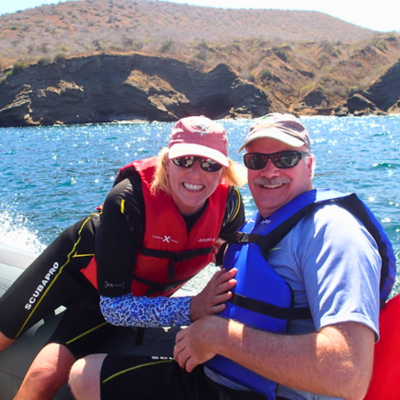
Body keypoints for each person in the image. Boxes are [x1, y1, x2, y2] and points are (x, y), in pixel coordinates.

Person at [69, 113, 395, 400]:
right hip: (219, 378)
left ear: (309, 164)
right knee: (86, 375)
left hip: (259, 392)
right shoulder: (259, 225)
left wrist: (217, 336)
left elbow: (347, 374)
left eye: (285, 159)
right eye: (256, 161)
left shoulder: (334, 232)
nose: (269, 171)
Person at [0, 115, 246, 400]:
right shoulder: (128, 200)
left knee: (46, 374)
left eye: (209, 163)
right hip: (77, 267)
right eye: (184, 160)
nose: (195, 173)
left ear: (224, 171)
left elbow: (233, 275)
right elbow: (115, 309)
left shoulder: (229, 206)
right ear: (167, 161)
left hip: (125, 295)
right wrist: (191, 308)